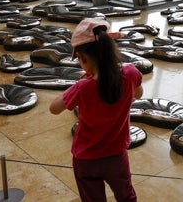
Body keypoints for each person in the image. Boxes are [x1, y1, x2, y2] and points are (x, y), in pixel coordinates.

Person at [50, 17, 143, 202]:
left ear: (83, 59)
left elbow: (54, 108)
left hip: (86, 158)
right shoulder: (131, 73)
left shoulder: (82, 88)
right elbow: (138, 94)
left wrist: (79, 84)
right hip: (117, 156)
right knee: (126, 195)